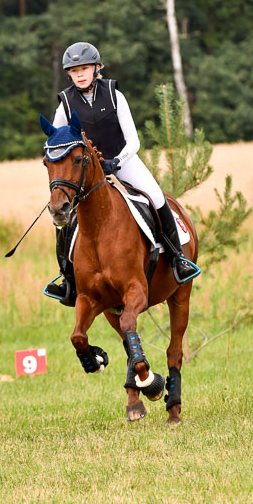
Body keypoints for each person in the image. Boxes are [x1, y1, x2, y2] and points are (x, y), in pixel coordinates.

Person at [45, 41, 200, 306]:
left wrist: (116, 161)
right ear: (68, 74)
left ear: (96, 68)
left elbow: (134, 141)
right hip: (85, 172)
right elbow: (55, 143)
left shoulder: (114, 94)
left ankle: (177, 259)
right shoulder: (65, 105)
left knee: (156, 197)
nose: (80, 74)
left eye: (84, 68)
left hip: (123, 160)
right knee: (65, 219)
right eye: (74, 71)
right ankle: (67, 279)